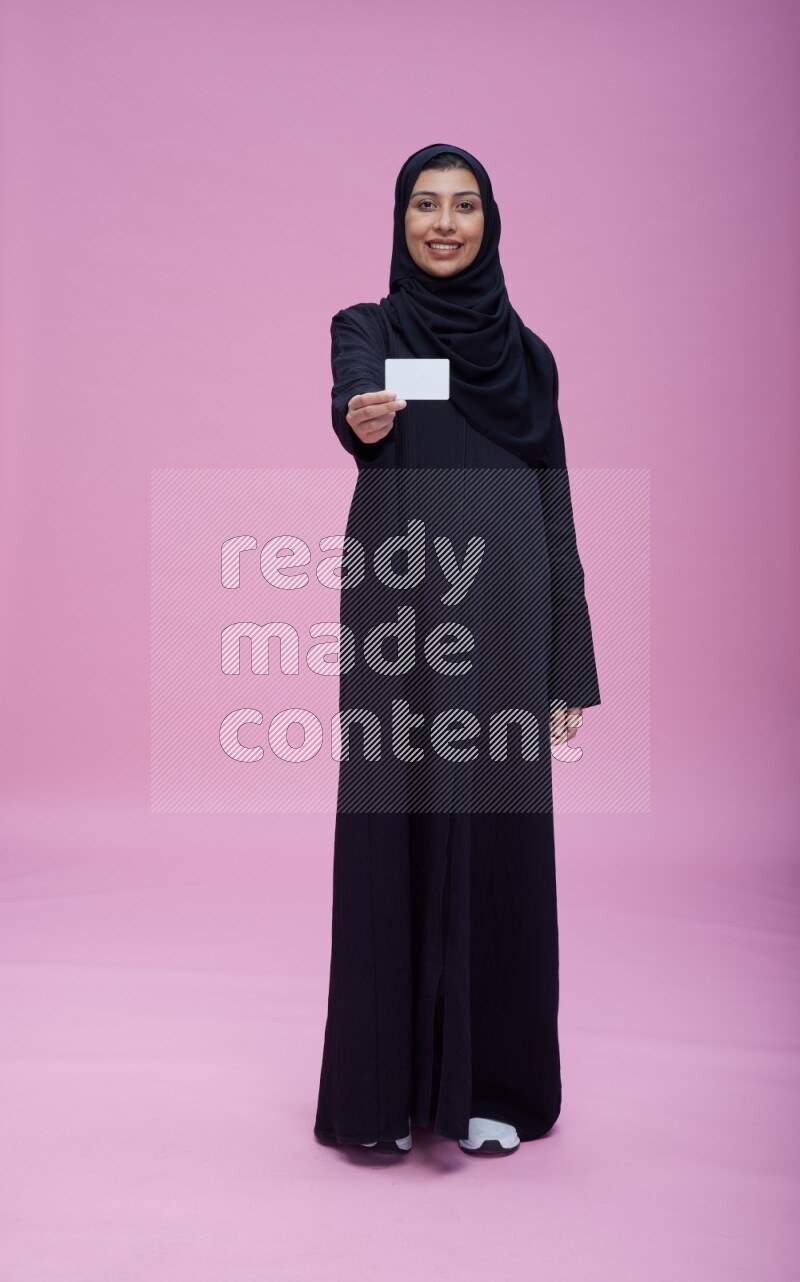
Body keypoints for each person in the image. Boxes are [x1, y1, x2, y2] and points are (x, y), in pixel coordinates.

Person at [313, 143, 601, 1158]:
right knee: (393, 827)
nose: (442, 223)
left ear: (489, 221)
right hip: (401, 623)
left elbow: (554, 510)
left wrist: (571, 664)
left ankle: (490, 1087)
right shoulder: (368, 328)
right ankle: (383, 1095)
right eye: (423, 205)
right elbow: (356, 398)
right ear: (399, 220)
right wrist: (361, 413)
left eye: (462, 205)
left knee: (499, 842)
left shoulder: (530, 360)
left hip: (512, 622)